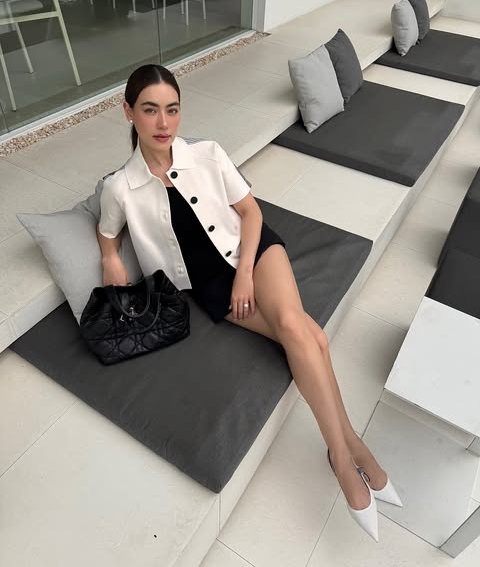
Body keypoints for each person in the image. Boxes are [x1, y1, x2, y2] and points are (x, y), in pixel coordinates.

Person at [96, 64, 402, 541]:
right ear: (128, 112)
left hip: (254, 252)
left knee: (294, 328)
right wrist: (110, 259)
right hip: (211, 288)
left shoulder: (207, 154)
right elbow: (108, 232)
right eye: (150, 110)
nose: (163, 123)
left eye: (172, 110)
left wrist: (244, 276)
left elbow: (251, 212)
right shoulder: (119, 187)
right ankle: (351, 444)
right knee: (312, 336)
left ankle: (342, 460)